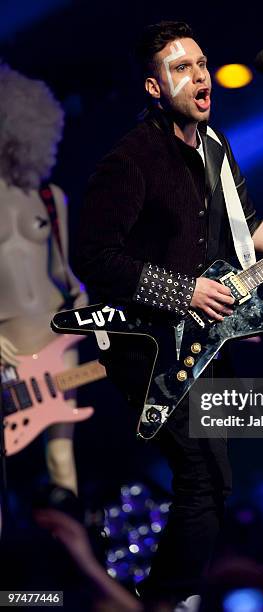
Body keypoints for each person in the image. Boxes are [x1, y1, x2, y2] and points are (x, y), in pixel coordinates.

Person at [74, 21, 263, 603]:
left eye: (202, 64)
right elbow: (92, 256)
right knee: (204, 481)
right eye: (181, 68)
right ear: (154, 87)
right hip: (144, 344)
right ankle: (159, 602)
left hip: (201, 342)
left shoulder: (216, 147)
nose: (200, 76)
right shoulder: (132, 160)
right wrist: (181, 292)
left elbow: (251, 231)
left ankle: (169, 598)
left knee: (214, 482)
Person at [0, 62, 88, 494]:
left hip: (57, 341)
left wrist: (84, 306)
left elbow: (65, 274)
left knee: (62, 464)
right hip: (7, 354)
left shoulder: (50, 199)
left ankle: (73, 542)